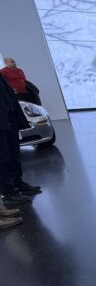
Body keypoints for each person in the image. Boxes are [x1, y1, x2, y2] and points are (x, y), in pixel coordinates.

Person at [0, 74, 40, 207]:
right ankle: (8, 193)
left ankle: (17, 183)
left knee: (13, 153)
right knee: (3, 158)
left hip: (8, 117)